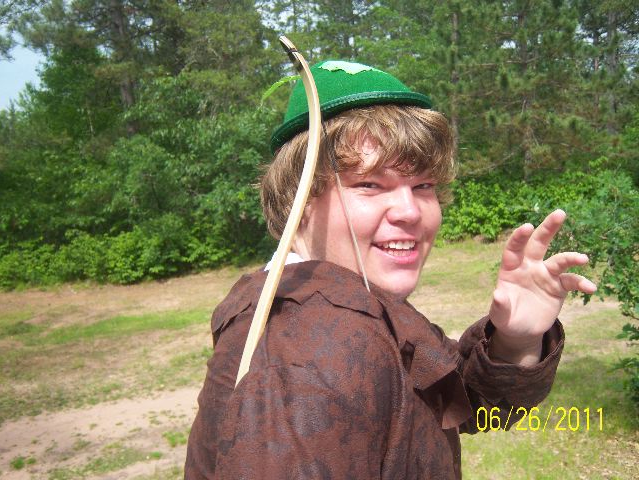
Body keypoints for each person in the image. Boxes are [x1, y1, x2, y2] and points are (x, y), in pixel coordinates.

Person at [184, 60, 596, 479]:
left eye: (423, 185)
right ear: (298, 202)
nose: (410, 211)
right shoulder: (303, 357)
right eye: (369, 184)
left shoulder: (350, 306)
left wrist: (514, 340)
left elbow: (457, 404)